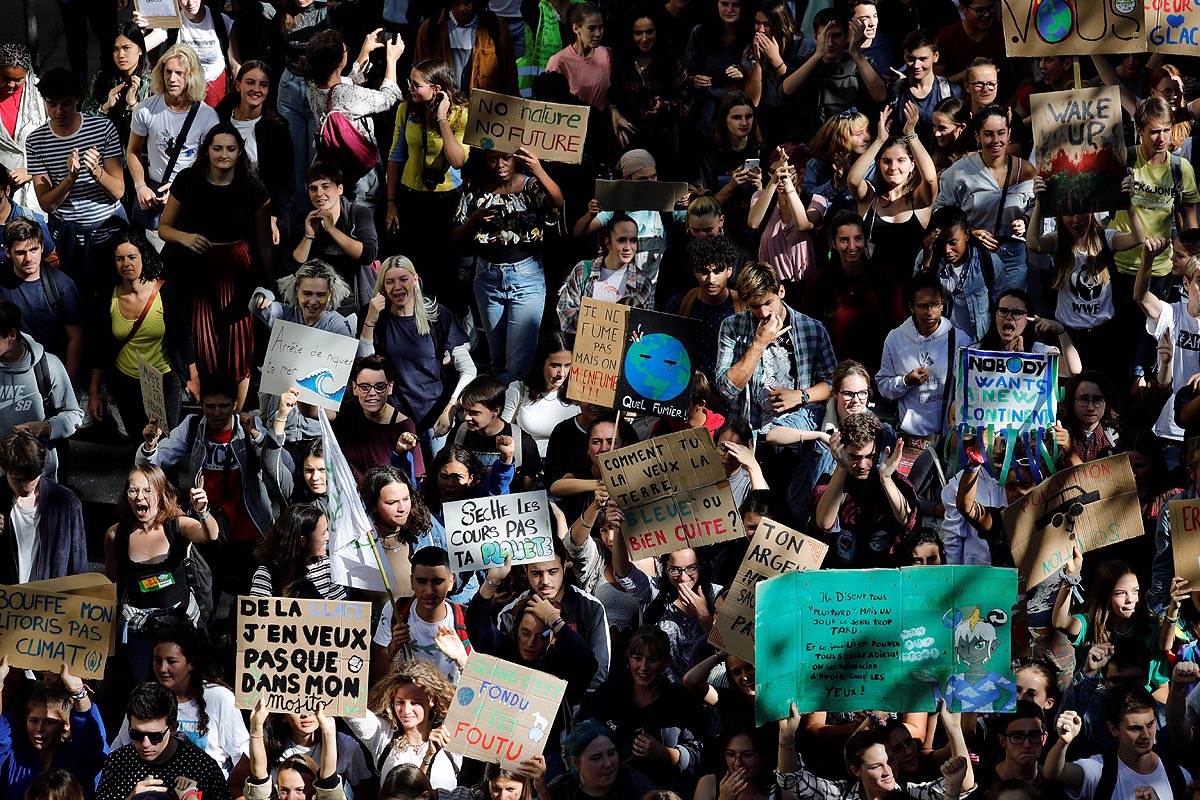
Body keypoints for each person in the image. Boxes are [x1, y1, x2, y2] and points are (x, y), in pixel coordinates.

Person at [137, 372, 291, 593]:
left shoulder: (249, 426)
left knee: (250, 594)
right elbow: (150, 464)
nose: (217, 413)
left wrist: (257, 436)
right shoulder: (192, 426)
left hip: (249, 529)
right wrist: (150, 446)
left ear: (235, 404)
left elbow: (283, 466)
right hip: (208, 528)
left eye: (224, 406)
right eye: (210, 407)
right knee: (207, 592)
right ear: (201, 405)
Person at [158, 123, 271, 410]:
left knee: (239, 344)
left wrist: (269, 284)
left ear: (239, 152)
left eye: (231, 149)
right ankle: (213, 414)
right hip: (197, 269)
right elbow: (164, 228)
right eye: (217, 148)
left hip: (237, 269)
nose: (224, 154)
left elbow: (264, 243)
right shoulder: (187, 180)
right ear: (206, 150)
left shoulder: (253, 187)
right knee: (204, 342)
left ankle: (239, 418)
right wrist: (185, 237)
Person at [454, 146, 563, 383]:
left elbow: (557, 202)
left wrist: (539, 170)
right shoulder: (475, 188)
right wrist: (475, 219)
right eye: (493, 159)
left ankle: (513, 414)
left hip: (526, 278)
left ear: (517, 159)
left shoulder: (531, 186)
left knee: (520, 361)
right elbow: (457, 235)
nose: (500, 165)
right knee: (499, 361)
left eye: (506, 158)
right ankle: (500, 411)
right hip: (487, 279)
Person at [1026, 174, 1144, 390]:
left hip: (1104, 337)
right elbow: (1033, 243)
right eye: (1069, 213)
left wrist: (1128, 203)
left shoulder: (1106, 238)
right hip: (1069, 336)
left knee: (1104, 394)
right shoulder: (1056, 241)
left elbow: (1138, 238)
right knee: (1071, 395)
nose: (1076, 219)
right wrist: (1040, 204)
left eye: (1081, 211)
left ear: (1092, 212)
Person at [105, 464, 219, 674]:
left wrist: (202, 511)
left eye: (148, 490)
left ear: (161, 493)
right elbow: (110, 581)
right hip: (139, 630)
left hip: (180, 626)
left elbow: (210, 534)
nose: (140, 497)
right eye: (134, 490)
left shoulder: (177, 526)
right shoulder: (115, 535)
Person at [359, 256, 475, 455]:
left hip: (434, 415)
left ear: (415, 280)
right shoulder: (375, 316)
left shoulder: (437, 315)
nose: (397, 287)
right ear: (382, 286)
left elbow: (469, 369)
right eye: (390, 282)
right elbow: (366, 365)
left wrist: (451, 408)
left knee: (435, 477)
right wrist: (370, 320)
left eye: (403, 279)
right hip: (395, 416)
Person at [88, 230, 197, 438]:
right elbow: (99, 347)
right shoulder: (107, 297)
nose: (126, 263)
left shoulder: (165, 292)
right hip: (125, 381)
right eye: (119, 259)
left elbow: (183, 337)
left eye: (131, 257)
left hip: (164, 379)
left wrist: (193, 377)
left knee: (167, 443)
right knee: (138, 441)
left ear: (143, 258)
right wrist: (94, 391)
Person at [26, 66, 127, 289]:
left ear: (78, 99)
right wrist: (69, 178)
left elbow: (119, 190)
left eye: (66, 103)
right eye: (52, 104)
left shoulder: (103, 128)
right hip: (70, 238)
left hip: (109, 231)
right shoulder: (36, 142)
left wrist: (97, 172)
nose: (59, 111)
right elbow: (47, 203)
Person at [576, 626, 707, 794]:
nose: (643, 667)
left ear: (666, 661)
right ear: (629, 657)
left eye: (652, 659)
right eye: (637, 658)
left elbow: (700, 752)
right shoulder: (609, 694)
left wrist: (667, 754)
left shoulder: (680, 701)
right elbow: (581, 735)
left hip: (664, 792)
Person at [383, 57, 470, 308]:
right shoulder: (406, 109)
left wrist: (442, 118)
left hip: (446, 198)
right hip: (410, 194)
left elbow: (457, 160)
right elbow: (396, 157)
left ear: (437, 90)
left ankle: (448, 317)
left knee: (443, 263)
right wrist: (391, 203)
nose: (410, 88)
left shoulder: (460, 113)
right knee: (413, 261)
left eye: (416, 84)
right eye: (409, 82)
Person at [109, 629, 248, 778]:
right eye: (157, 660)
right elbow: (120, 748)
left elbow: (243, 755)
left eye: (171, 661)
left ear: (191, 663)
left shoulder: (219, 698)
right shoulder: (145, 697)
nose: (162, 669)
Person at [715, 261, 837, 428]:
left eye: (767, 303)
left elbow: (833, 383)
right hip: (750, 432)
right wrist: (759, 344)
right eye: (755, 307)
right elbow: (726, 390)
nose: (763, 313)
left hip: (797, 431)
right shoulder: (732, 327)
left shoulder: (812, 329)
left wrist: (800, 396)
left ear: (781, 291)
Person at [933, 105, 1037, 294]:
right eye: (988, 134)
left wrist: (1025, 220)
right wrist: (968, 232)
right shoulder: (958, 173)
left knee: (1011, 309)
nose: (996, 140)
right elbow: (940, 213)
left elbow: (1035, 204)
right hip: (976, 253)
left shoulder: (1027, 170)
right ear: (977, 136)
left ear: (1009, 134)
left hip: (1013, 253)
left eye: (1001, 133)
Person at [775, 704, 972, 799]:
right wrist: (786, 738)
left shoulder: (912, 794)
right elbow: (792, 781)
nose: (888, 772)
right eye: (876, 766)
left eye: (892, 760)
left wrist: (955, 730)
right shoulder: (840, 795)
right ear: (856, 770)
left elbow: (963, 786)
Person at [495, 537, 612, 690]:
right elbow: (500, 668)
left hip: (575, 708)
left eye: (552, 572)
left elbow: (598, 675)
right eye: (536, 573)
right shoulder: (509, 613)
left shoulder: (590, 608)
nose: (545, 581)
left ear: (564, 567)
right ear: (525, 571)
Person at [127, 44, 219, 237]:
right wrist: (140, 186)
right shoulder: (145, 110)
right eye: (168, 72)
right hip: (154, 194)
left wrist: (183, 190)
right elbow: (133, 151)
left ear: (191, 76)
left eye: (179, 73)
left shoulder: (207, 117)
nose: (172, 79)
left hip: (192, 195)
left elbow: (212, 164)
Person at [799, 211, 906, 375]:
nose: (852, 246)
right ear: (834, 243)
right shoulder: (818, 283)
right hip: (832, 373)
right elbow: (809, 332)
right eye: (844, 240)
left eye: (858, 238)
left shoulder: (883, 278)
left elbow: (898, 327)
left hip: (877, 371)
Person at [1045, 686, 1190, 799]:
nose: (1145, 735)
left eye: (1150, 724)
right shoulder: (1100, 771)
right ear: (1113, 729)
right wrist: (1063, 742)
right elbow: (1054, 773)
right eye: (1135, 728)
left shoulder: (1179, 776)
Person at [94, 682, 232, 800]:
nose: (145, 744)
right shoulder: (118, 763)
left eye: (155, 736)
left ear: (173, 728)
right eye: (136, 734)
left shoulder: (202, 767)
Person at [814, 412, 917, 568]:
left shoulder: (897, 483)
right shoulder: (828, 483)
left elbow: (908, 521)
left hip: (884, 576)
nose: (862, 465)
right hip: (841, 576)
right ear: (841, 450)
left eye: (870, 456)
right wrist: (841, 468)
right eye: (854, 457)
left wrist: (886, 479)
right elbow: (824, 523)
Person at [847, 103, 936, 282]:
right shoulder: (870, 198)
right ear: (879, 164)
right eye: (886, 161)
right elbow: (853, 180)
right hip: (872, 289)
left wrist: (911, 134)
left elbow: (931, 178)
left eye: (901, 160)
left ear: (912, 165)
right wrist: (879, 141)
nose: (893, 167)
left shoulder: (919, 200)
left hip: (911, 290)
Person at [876, 271, 968, 443]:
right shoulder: (895, 339)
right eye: (923, 306)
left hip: (945, 436)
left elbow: (968, 388)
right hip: (907, 436)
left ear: (943, 305)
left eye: (935, 304)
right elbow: (883, 386)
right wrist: (905, 381)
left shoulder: (959, 339)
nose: (930, 312)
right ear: (911, 307)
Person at [344, 660, 462, 790]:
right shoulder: (383, 736)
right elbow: (346, 704)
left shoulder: (448, 735)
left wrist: (460, 659)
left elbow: (477, 698)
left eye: (415, 702)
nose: (406, 711)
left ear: (431, 700)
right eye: (400, 702)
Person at [0, 659, 108, 800]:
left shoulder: (77, 759)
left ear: (65, 725)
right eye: (33, 720)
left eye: (49, 722)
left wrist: (78, 691)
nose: (39, 729)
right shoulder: (14, 758)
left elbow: (90, 737)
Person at [0, 299, 83, 480]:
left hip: (38, 476)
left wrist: (47, 427)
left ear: (11, 335)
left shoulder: (48, 366)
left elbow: (74, 414)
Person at [215, 61, 294, 244]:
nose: (256, 89)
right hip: (222, 210)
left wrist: (274, 217)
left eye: (263, 85)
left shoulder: (278, 129)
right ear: (238, 85)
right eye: (250, 82)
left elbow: (286, 183)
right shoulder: (217, 119)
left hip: (261, 214)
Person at [607, 6, 691, 176]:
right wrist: (613, 111)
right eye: (638, 33)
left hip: (663, 141)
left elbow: (686, 105)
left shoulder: (671, 61)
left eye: (649, 32)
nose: (644, 38)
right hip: (631, 137)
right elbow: (612, 95)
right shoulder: (623, 59)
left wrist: (666, 106)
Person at [371, 545, 472, 681]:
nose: (429, 590)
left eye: (437, 581)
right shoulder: (395, 610)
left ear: (451, 582)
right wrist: (393, 648)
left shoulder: (467, 618)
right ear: (412, 582)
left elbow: (481, 685)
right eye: (421, 582)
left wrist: (462, 660)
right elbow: (377, 677)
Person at [1, 217, 83, 381]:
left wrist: (67, 384)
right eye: (21, 252)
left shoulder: (62, 286)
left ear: (42, 248)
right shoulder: (2, 282)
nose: (29, 258)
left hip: (49, 374)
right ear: (8, 252)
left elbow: (76, 339)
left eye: (33, 250)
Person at [0, 431, 87, 584]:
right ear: (4, 469)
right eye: (19, 480)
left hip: (50, 603)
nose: (26, 487)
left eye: (32, 479)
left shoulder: (67, 503)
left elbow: (78, 566)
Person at [779, 9, 888, 126]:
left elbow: (881, 96)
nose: (830, 43)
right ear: (815, 37)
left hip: (850, 135)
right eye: (825, 36)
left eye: (836, 36)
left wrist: (856, 53)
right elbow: (785, 91)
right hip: (812, 137)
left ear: (846, 37)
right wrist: (817, 55)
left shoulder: (859, 63)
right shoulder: (804, 61)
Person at [663, 236, 746, 380]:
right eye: (705, 272)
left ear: (729, 271)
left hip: (730, 398)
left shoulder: (745, 306)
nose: (711, 280)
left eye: (718, 271)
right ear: (695, 272)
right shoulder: (679, 304)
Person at [557, 213, 653, 333]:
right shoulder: (583, 270)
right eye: (621, 240)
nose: (628, 247)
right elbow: (566, 317)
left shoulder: (642, 283)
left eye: (633, 240)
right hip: (583, 349)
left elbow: (645, 330)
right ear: (608, 243)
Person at [136, 0, 240, 107]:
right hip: (184, 95)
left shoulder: (221, 21)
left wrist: (237, 98)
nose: (190, 3)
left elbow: (235, 66)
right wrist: (140, 32)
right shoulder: (172, 22)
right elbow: (138, 49)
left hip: (216, 95)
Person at [747, 144, 825, 286]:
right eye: (773, 173)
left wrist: (788, 183)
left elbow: (803, 224)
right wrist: (773, 182)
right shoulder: (760, 197)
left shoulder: (815, 201)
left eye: (786, 174)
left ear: (800, 174)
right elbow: (753, 223)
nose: (779, 179)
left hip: (805, 284)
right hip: (770, 286)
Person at [243, 697, 346, 800]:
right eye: (284, 790)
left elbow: (329, 788)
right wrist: (256, 729)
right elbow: (259, 786)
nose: (291, 798)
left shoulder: (346, 744)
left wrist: (329, 734)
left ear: (314, 792)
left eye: (300, 790)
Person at [742, 0, 814, 147]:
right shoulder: (751, 49)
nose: (760, 30)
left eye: (767, 24)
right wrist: (758, 63)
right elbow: (751, 101)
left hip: (798, 122)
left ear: (781, 24)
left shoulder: (804, 48)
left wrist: (776, 61)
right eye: (757, 23)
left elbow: (798, 94)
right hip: (767, 121)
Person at [449, 374, 541, 486]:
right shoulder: (458, 435)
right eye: (465, 410)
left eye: (475, 413)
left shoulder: (523, 441)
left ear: (496, 411)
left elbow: (529, 492)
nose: (466, 417)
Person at [414, 0, 519, 94]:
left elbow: (509, 74)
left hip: (482, 109)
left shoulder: (496, 27)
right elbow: (420, 74)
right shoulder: (430, 29)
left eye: (467, 4)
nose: (462, 9)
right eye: (456, 3)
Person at [502, 331, 576, 459]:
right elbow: (503, 432)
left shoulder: (577, 393)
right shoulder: (518, 390)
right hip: (527, 467)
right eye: (555, 366)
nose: (562, 374)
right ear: (541, 362)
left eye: (567, 366)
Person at [250, 503, 345, 600]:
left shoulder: (327, 567)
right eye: (323, 533)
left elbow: (340, 610)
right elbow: (258, 613)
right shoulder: (267, 575)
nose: (328, 537)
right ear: (303, 540)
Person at [683, 0, 751, 134]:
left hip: (738, 111)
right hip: (704, 110)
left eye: (736, 5)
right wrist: (694, 80)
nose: (729, 10)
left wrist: (743, 73)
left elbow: (758, 81)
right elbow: (685, 75)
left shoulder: (751, 35)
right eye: (724, 4)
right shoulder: (700, 32)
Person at [83, 22, 153, 149]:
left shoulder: (153, 84)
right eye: (115, 49)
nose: (121, 55)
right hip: (106, 156)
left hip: (140, 158)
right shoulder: (101, 79)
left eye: (126, 48)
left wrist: (134, 105)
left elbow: (158, 130)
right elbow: (84, 124)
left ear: (140, 49)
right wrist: (105, 107)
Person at [548, 719, 653, 800]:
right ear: (575, 762)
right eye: (596, 758)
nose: (608, 764)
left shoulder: (638, 788)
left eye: (611, 753)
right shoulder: (559, 790)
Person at [887, 30, 957, 142]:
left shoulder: (951, 92)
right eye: (911, 59)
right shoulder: (895, 91)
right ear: (904, 57)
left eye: (923, 59)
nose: (916, 65)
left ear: (936, 56)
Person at [0, 44, 46, 215]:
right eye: (5, 78)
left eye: (18, 80)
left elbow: (55, 138)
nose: (11, 84)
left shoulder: (40, 93)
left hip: (38, 190)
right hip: (3, 193)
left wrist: (32, 171)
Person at [693, 725, 790, 800]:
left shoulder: (781, 789)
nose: (737, 763)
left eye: (747, 755)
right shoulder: (709, 784)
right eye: (731, 754)